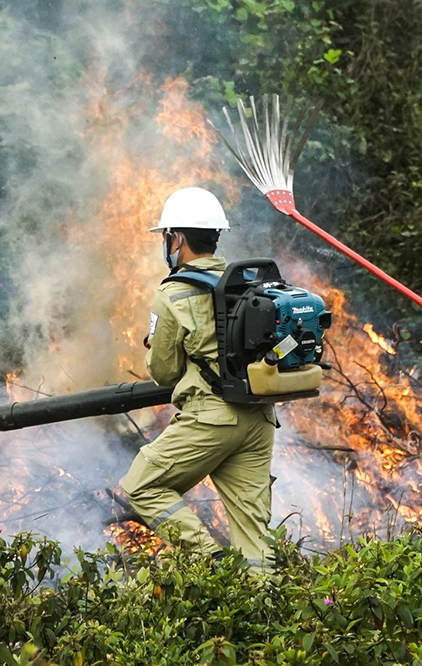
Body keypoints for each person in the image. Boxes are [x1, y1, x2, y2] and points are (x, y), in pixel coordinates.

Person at [120, 187, 278, 573]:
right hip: (258, 418)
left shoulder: (174, 294)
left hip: (212, 419)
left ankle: (210, 560)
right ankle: (266, 617)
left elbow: (164, 371)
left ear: (178, 238)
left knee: (140, 485)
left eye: (166, 237)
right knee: (253, 535)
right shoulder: (247, 285)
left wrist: (153, 347)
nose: (166, 244)